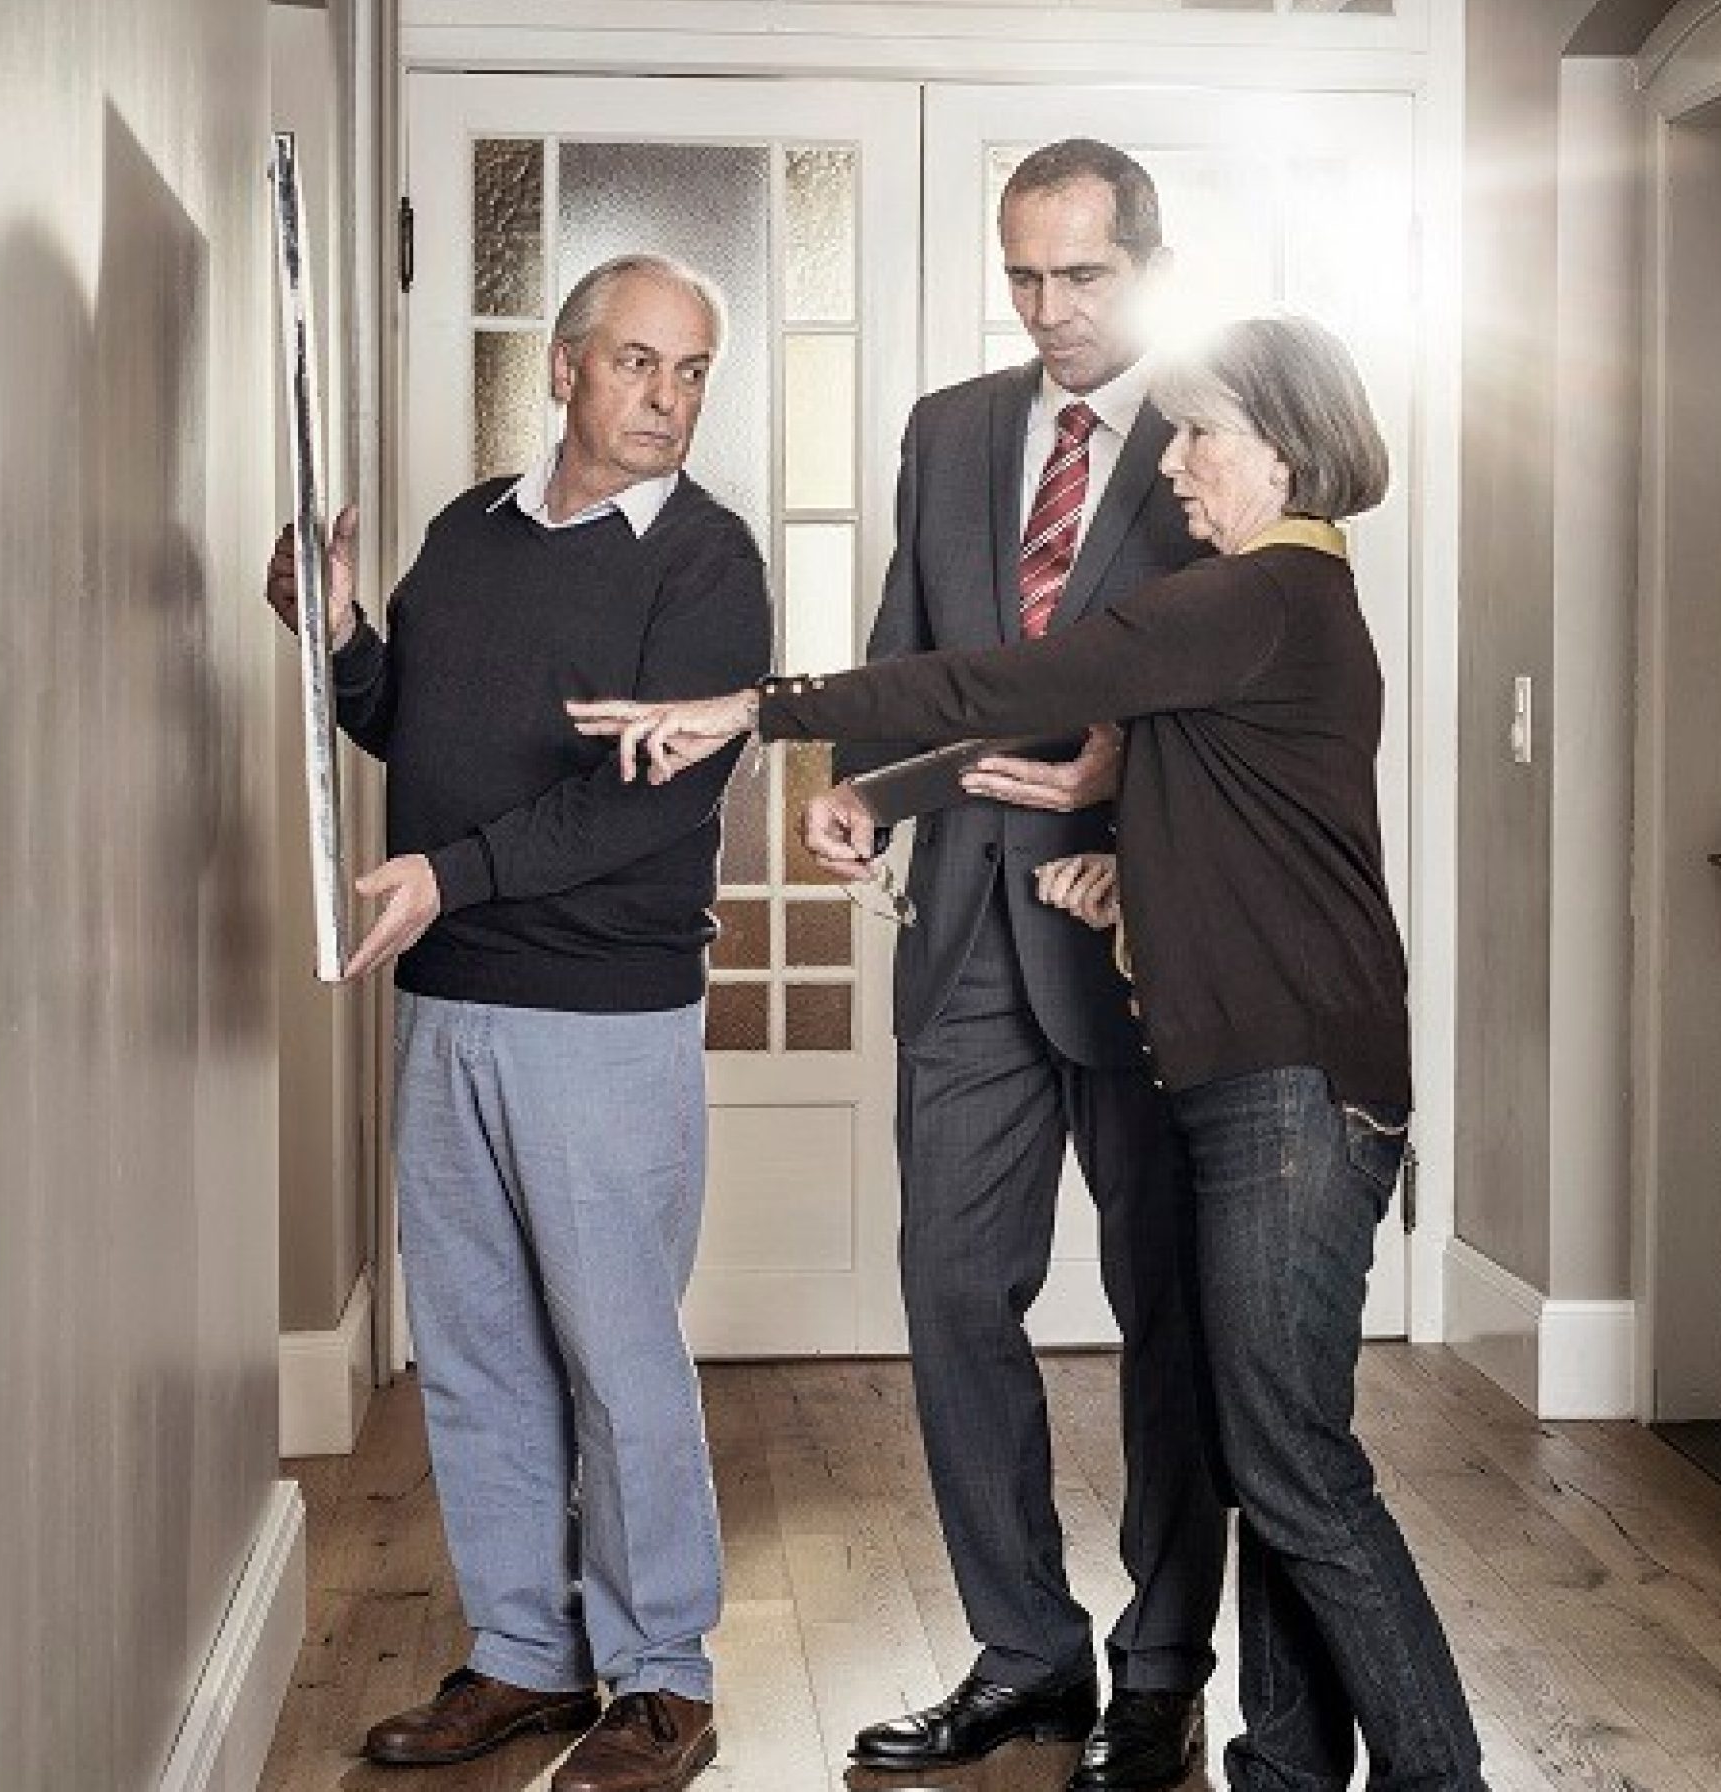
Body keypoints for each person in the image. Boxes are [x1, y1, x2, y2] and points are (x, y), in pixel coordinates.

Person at [576, 316, 1487, 1792]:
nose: (1176, 463)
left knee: (1299, 1473)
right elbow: (1263, 826)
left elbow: (993, 679)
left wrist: (756, 710)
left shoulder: (1258, 593)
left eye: (1204, 437)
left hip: (1292, 1095)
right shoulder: (1275, 611)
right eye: (1175, 430)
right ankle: (1291, 1773)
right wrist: (1130, 873)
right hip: (1267, 1078)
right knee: (1279, 1456)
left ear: (1290, 446)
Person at [263, 254, 766, 1792]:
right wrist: (335, 637)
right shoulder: (469, 535)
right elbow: (410, 719)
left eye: (690, 371)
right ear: (563, 370)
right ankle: (527, 1657)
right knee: (478, 1347)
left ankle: (662, 1676)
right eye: (636, 365)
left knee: (618, 1355)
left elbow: (649, 796)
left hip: (599, 1014)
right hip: (448, 991)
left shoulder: (706, 562)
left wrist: (451, 873)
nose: (667, 399)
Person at [792, 139, 1226, 1790]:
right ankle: (1027, 1656)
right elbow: (924, 671)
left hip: (1139, 939)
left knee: (1163, 1308)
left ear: (1152, 259)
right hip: (970, 933)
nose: (1050, 312)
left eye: (1085, 276)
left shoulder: (1223, 433)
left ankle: (1164, 1672)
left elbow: (1257, 696)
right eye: (1024, 278)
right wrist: (861, 793)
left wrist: (1131, 777)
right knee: (954, 1292)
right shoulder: (952, 431)